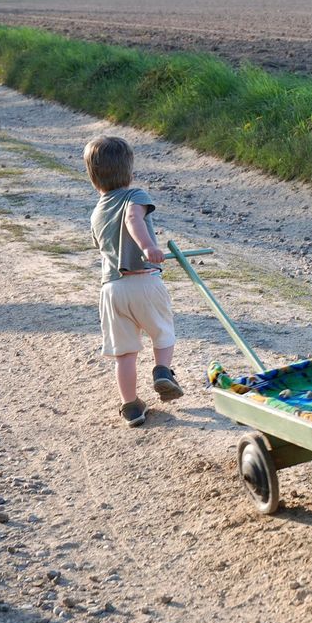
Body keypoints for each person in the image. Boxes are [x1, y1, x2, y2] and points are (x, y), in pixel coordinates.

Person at [86, 135, 183, 427]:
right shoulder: (135, 196)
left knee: (125, 353)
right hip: (144, 281)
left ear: (93, 177)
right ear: (129, 171)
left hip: (112, 290)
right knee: (163, 332)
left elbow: (103, 246)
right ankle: (163, 371)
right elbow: (132, 219)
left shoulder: (96, 213)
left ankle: (131, 407)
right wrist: (147, 248)